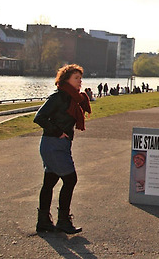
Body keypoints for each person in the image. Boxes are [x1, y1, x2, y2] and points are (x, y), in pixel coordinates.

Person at [33, 64, 91, 234]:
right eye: (76, 78)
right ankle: (63, 221)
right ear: (66, 79)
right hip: (53, 144)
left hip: (59, 145)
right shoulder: (58, 97)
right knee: (70, 179)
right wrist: (58, 132)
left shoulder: (73, 98)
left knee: (50, 182)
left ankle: (43, 222)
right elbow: (40, 117)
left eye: (80, 78)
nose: (80, 81)